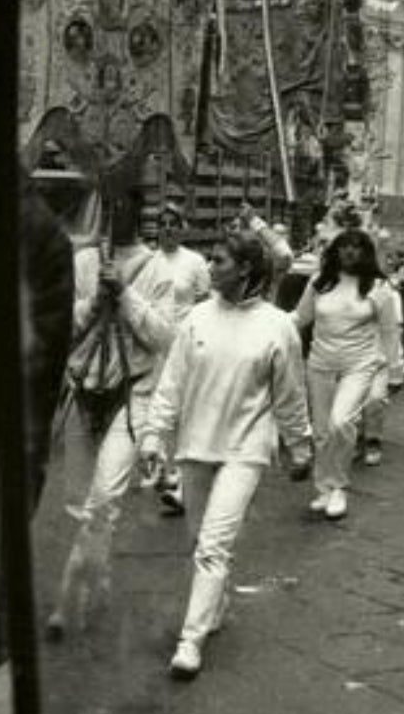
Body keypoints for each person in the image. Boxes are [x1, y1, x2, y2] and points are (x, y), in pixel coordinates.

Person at [139, 231, 312, 677]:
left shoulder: (278, 326)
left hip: (246, 449)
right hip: (196, 443)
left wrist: (300, 447)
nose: (209, 267)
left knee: (213, 545)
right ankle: (215, 601)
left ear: (246, 269)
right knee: (198, 539)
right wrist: (155, 437)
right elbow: (172, 384)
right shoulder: (197, 318)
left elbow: (289, 395)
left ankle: (190, 641)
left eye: (218, 261)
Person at [50, 192, 175, 636]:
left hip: (131, 394)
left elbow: (164, 338)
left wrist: (124, 296)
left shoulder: (158, 268)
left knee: (103, 501)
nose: (118, 216)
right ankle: (98, 580)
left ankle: (67, 605)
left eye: (128, 208)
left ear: (141, 213)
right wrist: (93, 303)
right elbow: (61, 328)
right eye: (112, 206)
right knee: (80, 505)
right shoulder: (83, 262)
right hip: (84, 391)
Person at [291, 227, 402, 520]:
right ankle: (323, 487)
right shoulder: (319, 282)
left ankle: (339, 486)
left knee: (341, 422)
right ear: (336, 251)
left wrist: (394, 372)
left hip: (359, 364)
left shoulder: (378, 287)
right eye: (344, 246)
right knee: (322, 430)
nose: (350, 252)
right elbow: (300, 318)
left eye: (357, 247)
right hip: (320, 363)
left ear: (366, 253)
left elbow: (390, 333)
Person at [140, 202, 212, 514]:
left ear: (182, 227)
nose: (168, 228)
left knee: (185, 411)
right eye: (163, 222)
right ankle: (165, 470)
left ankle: (181, 481)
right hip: (154, 346)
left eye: (174, 222)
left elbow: (207, 301)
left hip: (186, 343)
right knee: (156, 407)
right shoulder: (147, 261)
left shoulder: (195, 262)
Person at [356, 244, 404, 467]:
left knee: (375, 399)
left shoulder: (388, 294)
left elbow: (392, 332)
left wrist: (396, 370)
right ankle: (355, 438)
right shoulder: (348, 288)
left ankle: (372, 440)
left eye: (388, 259)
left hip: (378, 358)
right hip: (350, 356)